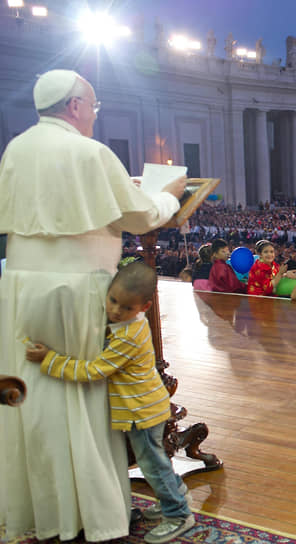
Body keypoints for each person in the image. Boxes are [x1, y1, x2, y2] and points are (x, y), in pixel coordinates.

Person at [0, 69, 186, 542]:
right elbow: (141, 214)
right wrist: (167, 197)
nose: (93, 119)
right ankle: (96, 513)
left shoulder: (16, 149)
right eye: (94, 109)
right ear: (77, 105)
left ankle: (49, 511)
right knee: (82, 398)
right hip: (76, 288)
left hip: (20, 284)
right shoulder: (90, 152)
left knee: (34, 397)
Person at [24, 263, 195, 544]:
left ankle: (178, 513)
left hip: (142, 410)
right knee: (155, 460)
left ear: (144, 306)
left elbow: (94, 371)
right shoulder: (126, 325)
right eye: (112, 300)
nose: (115, 310)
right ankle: (176, 495)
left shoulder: (128, 335)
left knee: (152, 464)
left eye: (126, 308)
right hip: (144, 405)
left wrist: (49, 360)